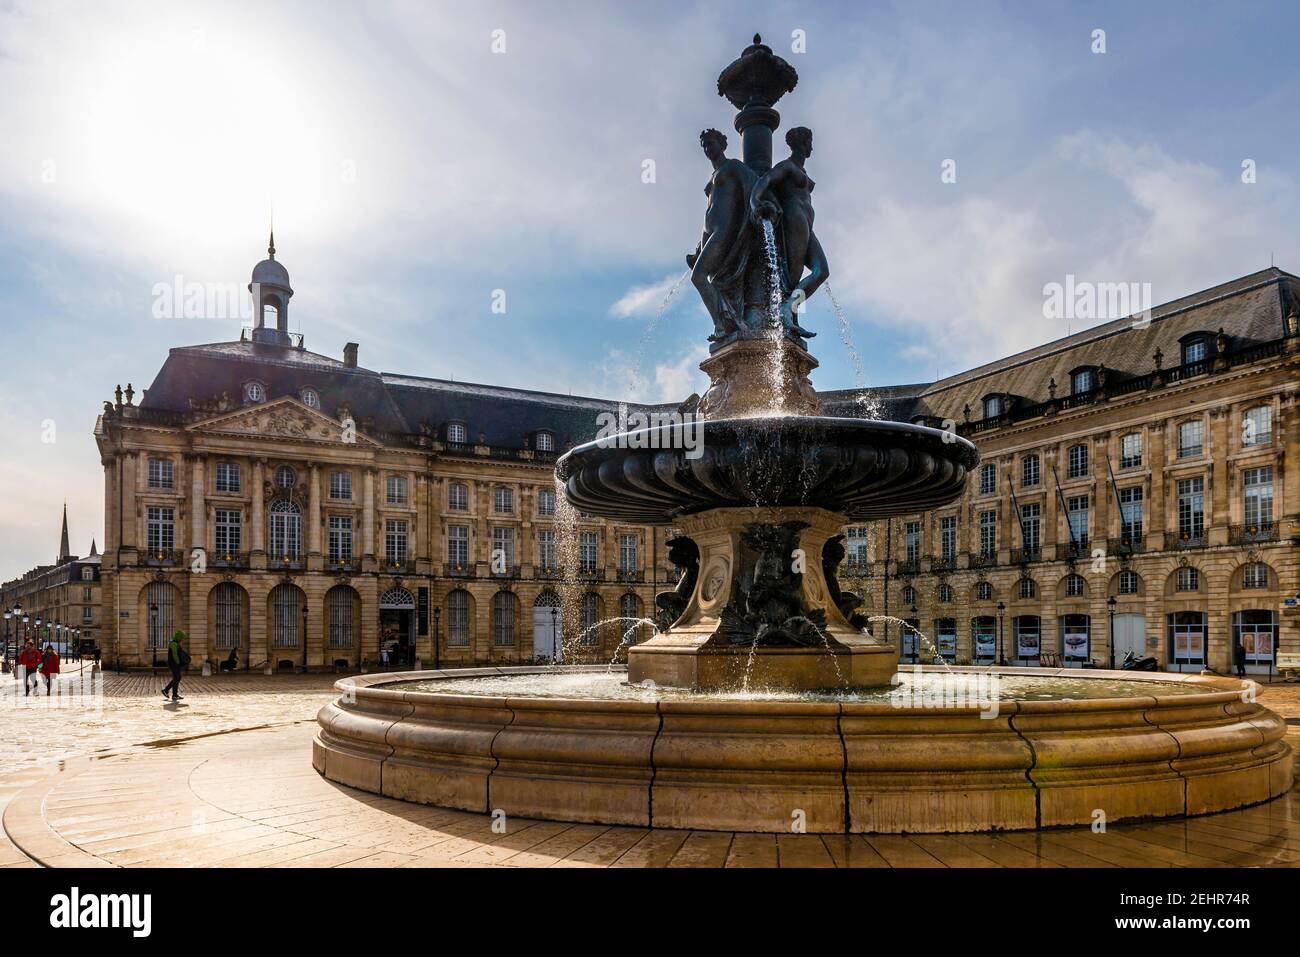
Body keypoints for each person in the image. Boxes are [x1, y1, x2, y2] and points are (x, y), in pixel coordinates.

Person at [161, 629, 189, 702]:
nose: (182, 639)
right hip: (174, 664)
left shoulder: (175, 643)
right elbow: (174, 655)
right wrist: (178, 662)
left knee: (177, 677)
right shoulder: (173, 644)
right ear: (178, 637)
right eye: (181, 637)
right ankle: (172, 693)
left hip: (174, 664)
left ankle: (169, 692)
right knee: (177, 677)